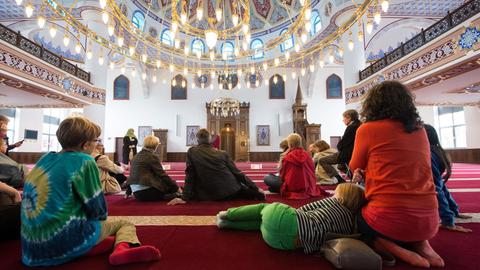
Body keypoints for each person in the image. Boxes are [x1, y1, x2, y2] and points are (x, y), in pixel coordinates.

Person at [21, 116, 161, 266]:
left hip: (32, 249)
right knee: (123, 224)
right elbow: (98, 210)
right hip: (63, 240)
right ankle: (120, 251)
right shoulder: (84, 160)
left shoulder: (45, 159)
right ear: (86, 144)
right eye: (96, 140)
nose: (97, 144)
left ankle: (101, 245)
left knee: (105, 236)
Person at [349, 81, 443, 268]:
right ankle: (422, 244)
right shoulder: (420, 130)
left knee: (354, 217)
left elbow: (355, 165)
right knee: (409, 210)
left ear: (373, 104)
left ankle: (391, 247)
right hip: (430, 220)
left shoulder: (367, 129)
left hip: (388, 219)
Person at [216, 183, 366, 254]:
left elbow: (305, 209)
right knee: (260, 224)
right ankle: (227, 224)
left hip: (288, 220)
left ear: (341, 198)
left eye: (336, 194)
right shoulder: (349, 225)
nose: (334, 195)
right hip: (282, 243)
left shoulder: (334, 202)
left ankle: (228, 215)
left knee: (263, 208)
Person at [167, 128, 264, 205]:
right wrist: (255, 187)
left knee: (184, 189)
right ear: (210, 139)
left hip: (207, 194)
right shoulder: (222, 153)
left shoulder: (192, 152)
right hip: (230, 191)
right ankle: (254, 193)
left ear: (197, 140)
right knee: (240, 186)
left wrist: (184, 198)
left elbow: (190, 175)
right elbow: (237, 173)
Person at [424, 124, 472, 233]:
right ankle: (454, 211)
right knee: (442, 187)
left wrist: (447, 220)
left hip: (433, 169)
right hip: (437, 168)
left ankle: (448, 220)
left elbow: (437, 190)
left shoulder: (428, 152)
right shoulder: (438, 150)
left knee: (438, 189)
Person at [270, 133, 327, 199]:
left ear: (290, 144)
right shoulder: (307, 155)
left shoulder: (287, 156)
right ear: (300, 143)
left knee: (268, 178)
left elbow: (282, 176)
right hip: (308, 186)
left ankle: (277, 189)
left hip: (292, 187)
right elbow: (312, 171)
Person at [125, 135, 181, 201]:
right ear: (155, 146)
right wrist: (176, 187)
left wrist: (128, 192)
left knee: (169, 184)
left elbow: (132, 175)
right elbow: (162, 175)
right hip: (147, 192)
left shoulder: (136, 156)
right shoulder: (152, 156)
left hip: (136, 193)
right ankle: (175, 195)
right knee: (170, 185)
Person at [317, 110, 361, 183]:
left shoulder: (351, 127)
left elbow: (343, 142)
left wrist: (339, 146)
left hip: (347, 153)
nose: (343, 120)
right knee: (340, 166)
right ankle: (353, 178)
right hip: (354, 152)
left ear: (349, 118)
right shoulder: (359, 125)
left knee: (322, 160)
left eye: (344, 118)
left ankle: (340, 180)